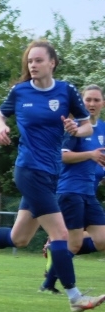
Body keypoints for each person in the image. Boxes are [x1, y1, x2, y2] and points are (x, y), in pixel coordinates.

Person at [0, 40, 105, 312]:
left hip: (51, 174)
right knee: (59, 233)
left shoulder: (66, 90)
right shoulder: (20, 91)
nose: (32, 65)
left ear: (52, 63)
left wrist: (74, 128)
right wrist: (1, 128)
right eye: (29, 61)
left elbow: (86, 129)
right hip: (29, 170)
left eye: (38, 60)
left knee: (19, 238)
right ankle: (75, 297)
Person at [39, 84, 105, 294]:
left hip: (89, 193)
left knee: (102, 239)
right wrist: (90, 155)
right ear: (81, 103)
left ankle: (55, 251)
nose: (92, 104)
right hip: (71, 192)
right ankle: (52, 277)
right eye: (88, 100)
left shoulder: (103, 128)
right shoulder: (73, 127)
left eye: (96, 100)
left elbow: (100, 160)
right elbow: (62, 156)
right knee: (73, 245)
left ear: (102, 103)